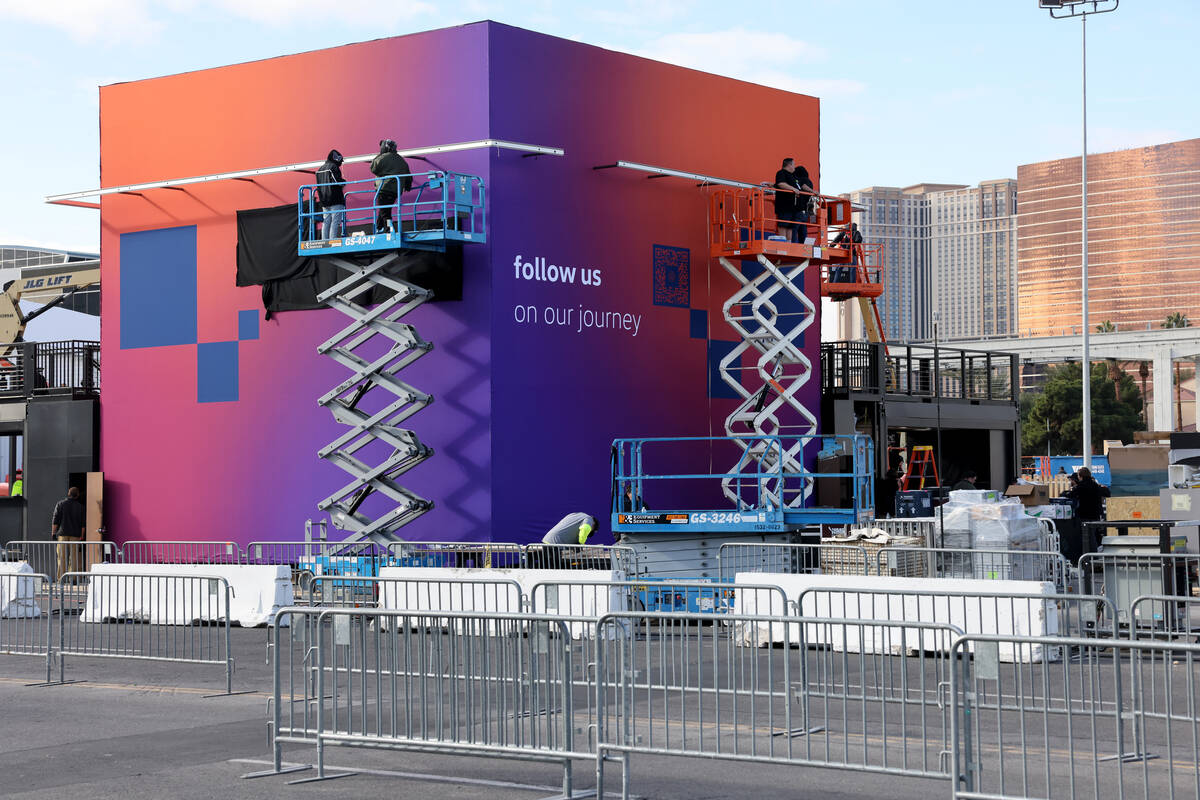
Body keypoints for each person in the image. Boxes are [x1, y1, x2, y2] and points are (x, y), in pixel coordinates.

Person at [370, 139, 412, 233]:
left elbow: (373, 168)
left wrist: (380, 154)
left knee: (385, 213)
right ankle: (379, 227)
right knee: (385, 209)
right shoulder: (401, 160)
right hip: (395, 191)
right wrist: (407, 186)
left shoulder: (383, 157)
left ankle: (389, 228)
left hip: (384, 188)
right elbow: (408, 175)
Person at [1065, 467, 1110, 550]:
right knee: (1093, 534)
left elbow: (1070, 495)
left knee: (1087, 536)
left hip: (1085, 514)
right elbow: (1106, 492)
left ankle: (1089, 555)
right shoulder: (1095, 485)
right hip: (1096, 514)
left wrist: (1065, 493)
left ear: (1080, 476)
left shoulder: (1081, 486)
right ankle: (1093, 553)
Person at [52, 486, 84, 580]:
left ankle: (60, 579)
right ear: (77, 495)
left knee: (61, 557)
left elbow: (55, 520)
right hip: (75, 535)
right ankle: (73, 579)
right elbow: (83, 524)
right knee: (74, 558)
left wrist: (53, 533)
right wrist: (81, 536)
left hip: (62, 534)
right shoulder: (80, 507)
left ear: (68, 494)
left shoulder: (60, 504)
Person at [773, 158, 807, 243]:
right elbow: (781, 183)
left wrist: (812, 191)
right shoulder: (781, 173)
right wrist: (793, 189)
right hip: (784, 205)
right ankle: (782, 244)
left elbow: (800, 185)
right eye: (793, 165)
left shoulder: (793, 176)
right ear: (789, 165)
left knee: (790, 226)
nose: (794, 167)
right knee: (783, 225)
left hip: (794, 207)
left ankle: (788, 243)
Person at [316, 149, 347, 239]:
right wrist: (344, 182)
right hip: (335, 199)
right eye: (340, 161)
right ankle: (332, 241)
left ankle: (324, 241)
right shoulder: (333, 167)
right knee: (335, 221)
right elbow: (337, 181)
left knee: (326, 222)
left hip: (324, 200)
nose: (341, 163)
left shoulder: (320, 169)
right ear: (336, 159)